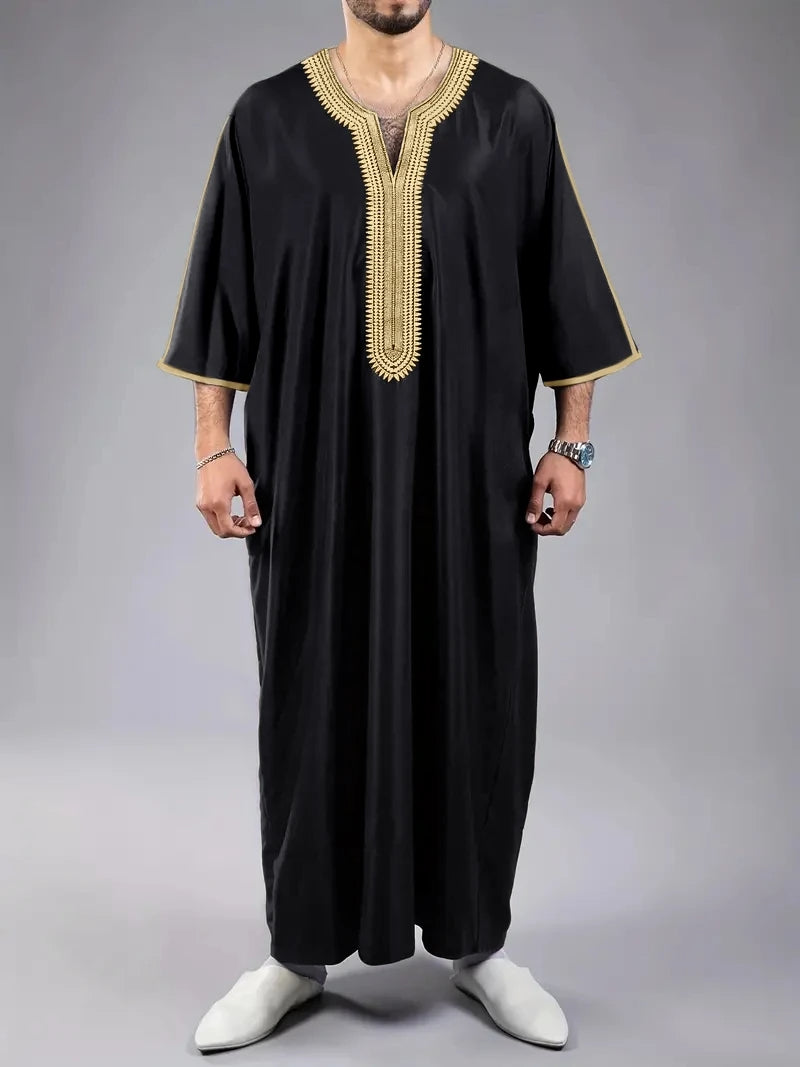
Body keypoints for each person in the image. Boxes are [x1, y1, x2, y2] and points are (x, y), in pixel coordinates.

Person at [156, 0, 641, 1052]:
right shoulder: (267, 121)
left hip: (471, 487)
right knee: (309, 692)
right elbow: (220, 299)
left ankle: (479, 943)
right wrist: (211, 445)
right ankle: (295, 952)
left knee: (477, 691)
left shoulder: (511, 118)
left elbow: (565, 297)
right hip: (311, 481)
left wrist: (573, 444)